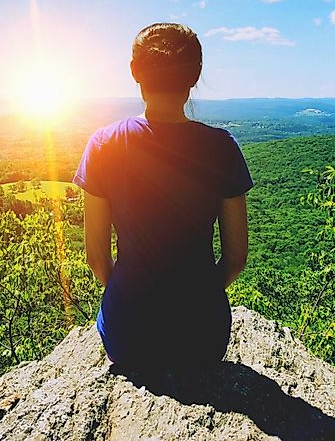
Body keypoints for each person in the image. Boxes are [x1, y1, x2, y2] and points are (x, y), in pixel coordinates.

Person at [73, 22, 253, 369]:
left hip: (130, 337)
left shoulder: (104, 144)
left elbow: (96, 257)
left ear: (134, 71)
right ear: (195, 75)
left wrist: (133, 294)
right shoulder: (222, 148)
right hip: (202, 336)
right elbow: (236, 259)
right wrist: (199, 297)